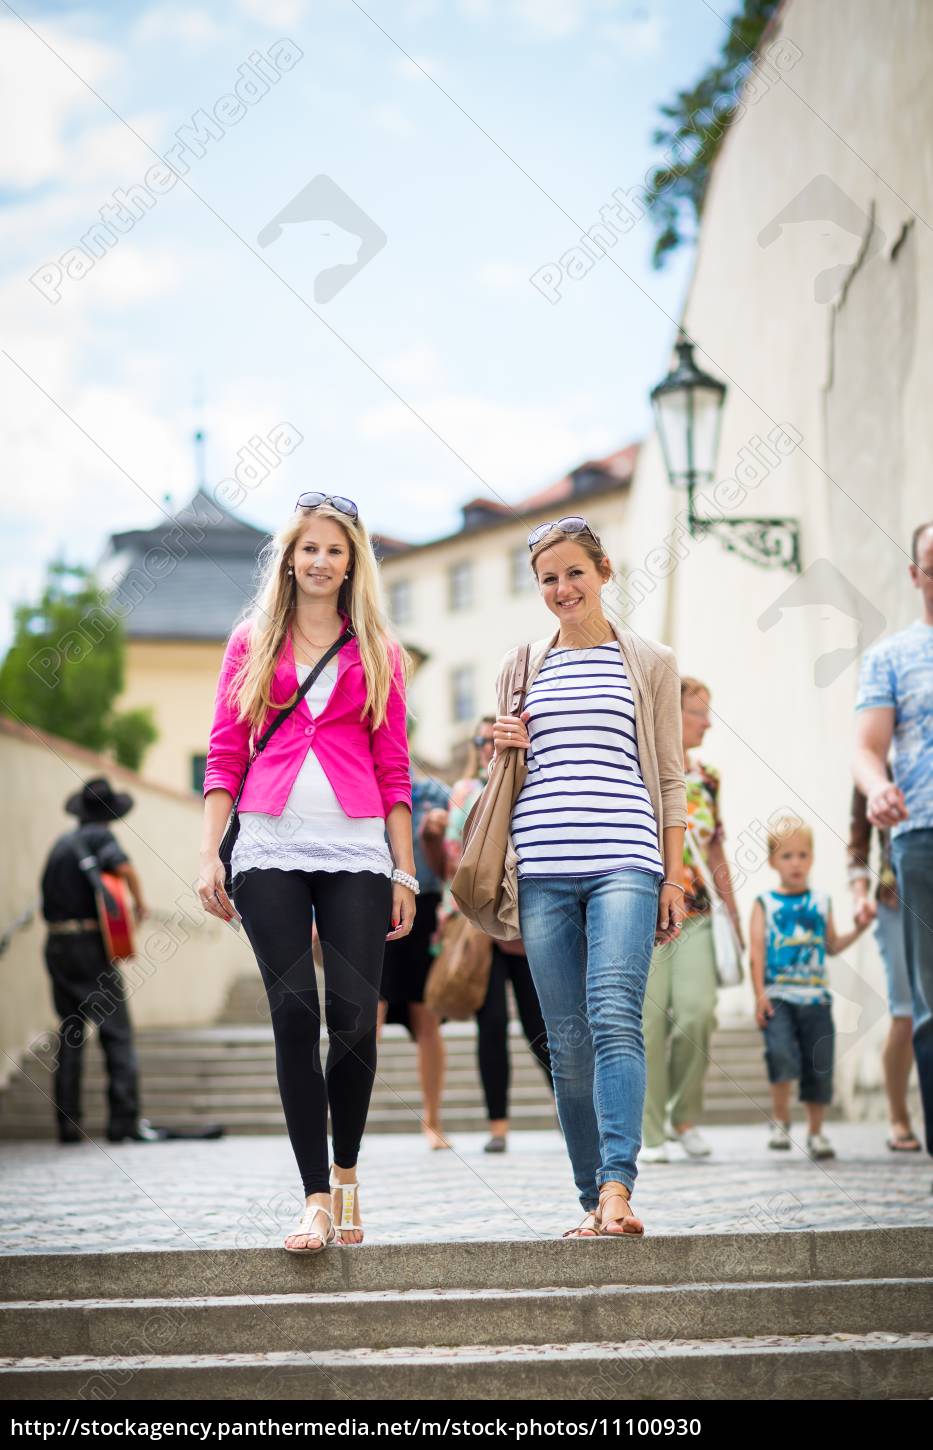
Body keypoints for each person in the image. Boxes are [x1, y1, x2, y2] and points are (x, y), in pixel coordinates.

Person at [198, 493, 416, 1254]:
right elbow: (224, 755)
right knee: (294, 1013)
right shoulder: (250, 642)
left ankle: (347, 1172)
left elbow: (395, 771)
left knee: (354, 1020)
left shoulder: (379, 651)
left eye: (335, 550)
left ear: (352, 563)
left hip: (357, 847)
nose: (321, 561)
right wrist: (209, 854)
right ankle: (315, 1200)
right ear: (288, 557)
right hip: (265, 845)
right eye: (309, 548)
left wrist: (405, 872)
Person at [493, 516, 686, 1237]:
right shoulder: (520, 665)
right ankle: (587, 1200)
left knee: (611, 1016)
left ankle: (617, 1189)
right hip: (541, 866)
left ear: (603, 571)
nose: (562, 588)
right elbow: (510, 775)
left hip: (625, 861)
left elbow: (669, 775)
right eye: (548, 578)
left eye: (574, 572)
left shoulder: (649, 660)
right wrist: (503, 744)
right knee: (565, 1040)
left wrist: (671, 875)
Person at [853, 520, 933, 1160]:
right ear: (916, 574)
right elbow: (866, 751)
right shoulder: (891, 656)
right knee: (922, 1001)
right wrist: (877, 786)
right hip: (920, 838)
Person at [641, 677, 744, 1163]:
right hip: (643, 913)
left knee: (698, 1013)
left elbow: (716, 850)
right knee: (647, 1023)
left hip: (698, 912)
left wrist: (736, 917)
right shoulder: (642, 767)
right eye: (699, 713)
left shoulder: (707, 779)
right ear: (674, 715)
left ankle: (685, 1115)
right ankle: (652, 1131)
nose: (707, 722)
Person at [442, 717, 553, 1154]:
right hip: (481, 928)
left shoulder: (531, 781)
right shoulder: (466, 793)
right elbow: (454, 859)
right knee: (489, 1026)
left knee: (539, 1026)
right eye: (483, 740)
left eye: (497, 738)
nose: (491, 745)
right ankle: (498, 1126)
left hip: (527, 923)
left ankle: (568, 1111)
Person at [750, 816, 873, 1160]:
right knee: (780, 1054)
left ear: (812, 858)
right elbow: (757, 952)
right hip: (778, 998)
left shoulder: (821, 901)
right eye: (787, 856)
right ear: (773, 861)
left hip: (816, 999)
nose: (796, 863)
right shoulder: (765, 902)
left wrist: (860, 931)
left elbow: (831, 944)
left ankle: (816, 1132)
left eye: (803, 855)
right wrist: (759, 993)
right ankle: (780, 1120)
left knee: (819, 1065)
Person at [40, 777, 148, 1145]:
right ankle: (123, 1122)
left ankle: (67, 1125)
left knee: (70, 1034)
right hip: (90, 947)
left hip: (56, 946)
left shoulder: (62, 844)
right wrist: (140, 903)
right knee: (117, 1033)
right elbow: (126, 870)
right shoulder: (100, 837)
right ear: (110, 814)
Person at [378, 762, 451, 1151]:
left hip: (423, 907)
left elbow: (448, 860)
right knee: (364, 1017)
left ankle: (433, 1121)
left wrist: (434, 835)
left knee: (426, 1017)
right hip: (369, 905)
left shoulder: (433, 794)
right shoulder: (359, 785)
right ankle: (347, 1122)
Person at [848, 781, 920, 1151]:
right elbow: (858, 844)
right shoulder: (873, 765)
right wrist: (861, 896)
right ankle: (898, 1116)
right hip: (894, 902)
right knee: (905, 1012)